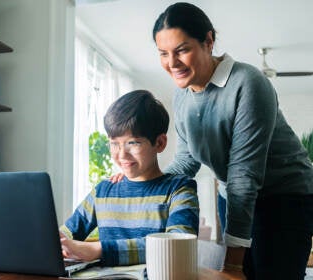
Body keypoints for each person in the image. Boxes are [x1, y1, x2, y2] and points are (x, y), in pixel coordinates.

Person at [150, 2, 313, 279]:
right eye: (163, 54)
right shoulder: (182, 97)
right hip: (232, 196)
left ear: (209, 41)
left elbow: (244, 176)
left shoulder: (248, 83)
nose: (171, 62)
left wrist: (233, 267)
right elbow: (186, 160)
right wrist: (145, 182)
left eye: (182, 50)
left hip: (285, 198)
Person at [60, 89, 199, 266]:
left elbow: (176, 245)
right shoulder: (103, 191)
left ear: (160, 143)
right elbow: (66, 235)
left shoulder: (180, 189)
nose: (122, 155)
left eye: (133, 143)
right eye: (114, 144)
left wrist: (99, 250)